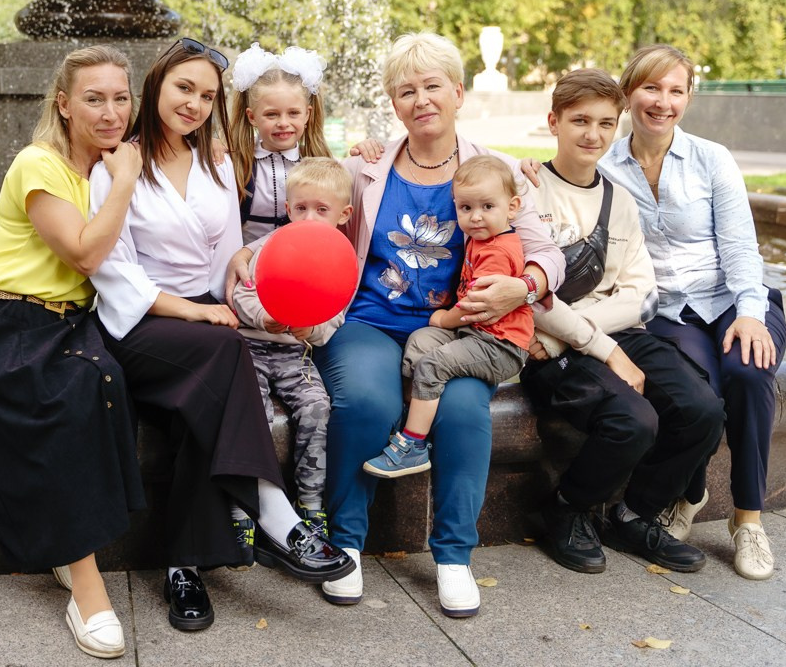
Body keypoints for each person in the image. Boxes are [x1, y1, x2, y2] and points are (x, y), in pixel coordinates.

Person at [228, 32, 564, 617]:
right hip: (368, 319)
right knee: (363, 401)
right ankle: (346, 543)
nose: (421, 100)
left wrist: (526, 285)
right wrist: (250, 251)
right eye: (407, 91)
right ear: (394, 103)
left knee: (464, 410)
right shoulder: (365, 168)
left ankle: (453, 556)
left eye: (433, 86)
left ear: (458, 93)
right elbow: (309, 216)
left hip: (457, 331)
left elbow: (547, 252)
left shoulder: (497, 171)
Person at [88, 38, 354, 633]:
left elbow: (228, 257)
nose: (195, 104)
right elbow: (113, 269)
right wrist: (193, 312)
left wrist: (233, 290)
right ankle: (278, 516)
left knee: (200, 403)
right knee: (226, 352)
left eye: (208, 96)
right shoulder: (119, 164)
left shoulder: (215, 163)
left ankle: (183, 568)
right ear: (156, 86)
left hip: (207, 318)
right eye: (184, 88)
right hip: (142, 321)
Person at [0, 45, 145, 659]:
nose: (110, 112)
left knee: (108, 379)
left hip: (65, 325)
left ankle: (68, 545)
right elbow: (83, 254)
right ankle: (86, 586)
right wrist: (126, 181)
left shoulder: (103, 167)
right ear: (63, 104)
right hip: (3, 325)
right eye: (93, 99)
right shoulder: (40, 163)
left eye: (120, 98)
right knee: (74, 393)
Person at [519, 68, 724, 576]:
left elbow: (640, 295)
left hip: (591, 334)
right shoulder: (526, 190)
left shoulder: (619, 200)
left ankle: (634, 514)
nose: (593, 134)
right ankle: (566, 508)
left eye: (606, 123)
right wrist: (578, 341)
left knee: (702, 409)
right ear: (554, 122)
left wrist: (582, 334)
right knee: (633, 421)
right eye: (580, 121)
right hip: (546, 346)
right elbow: (529, 294)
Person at [597, 44, 786, 581]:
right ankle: (692, 490)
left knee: (748, 373)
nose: (663, 102)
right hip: (667, 312)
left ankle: (747, 521)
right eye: (651, 88)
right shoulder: (605, 168)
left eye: (675, 90)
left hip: (734, 299)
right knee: (695, 389)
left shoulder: (711, 159)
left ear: (688, 98)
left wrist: (749, 313)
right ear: (628, 93)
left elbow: (741, 246)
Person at [363, 155, 532, 479]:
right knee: (420, 341)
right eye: (466, 208)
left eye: (487, 206)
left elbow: (473, 308)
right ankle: (413, 415)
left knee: (432, 364)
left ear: (512, 207)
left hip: (500, 345)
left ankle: (412, 445)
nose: (476, 216)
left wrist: (443, 319)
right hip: (475, 335)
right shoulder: (483, 239)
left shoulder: (497, 251)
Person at [231, 157, 355, 552]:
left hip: (295, 355)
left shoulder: (340, 258)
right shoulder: (270, 247)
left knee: (317, 406)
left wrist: (312, 329)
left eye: (322, 210)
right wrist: (263, 316)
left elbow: (336, 313)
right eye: (301, 208)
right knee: (252, 411)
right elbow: (240, 292)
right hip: (251, 346)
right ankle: (243, 505)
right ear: (288, 209)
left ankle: (310, 503)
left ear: (343, 215)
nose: (309, 218)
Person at [225, 43, 333, 245]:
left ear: (307, 114)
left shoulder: (321, 165)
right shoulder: (233, 163)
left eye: (293, 113)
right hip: (244, 262)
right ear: (252, 117)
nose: (283, 123)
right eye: (271, 114)